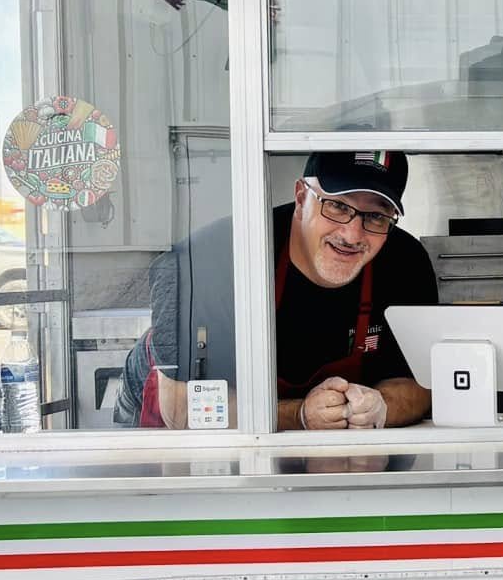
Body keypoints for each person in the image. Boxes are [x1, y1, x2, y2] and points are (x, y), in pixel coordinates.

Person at [117, 151, 439, 430]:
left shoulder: (405, 263)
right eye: (338, 207)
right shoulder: (208, 262)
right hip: (169, 407)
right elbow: (182, 408)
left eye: (376, 216)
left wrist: (380, 407)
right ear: (301, 198)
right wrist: (298, 416)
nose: (353, 234)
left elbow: (421, 386)